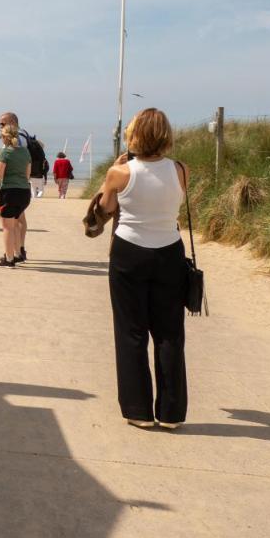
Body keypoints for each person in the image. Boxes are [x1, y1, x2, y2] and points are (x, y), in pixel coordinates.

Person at [99, 108, 188, 430]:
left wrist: (113, 175)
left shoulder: (120, 173)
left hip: (129, 252)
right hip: (169, 252)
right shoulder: (180, 169)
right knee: (169, 333)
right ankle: (171, 413)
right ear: (165, 135)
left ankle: (138, 410)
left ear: (134, 135)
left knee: (131, 331)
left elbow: (107, 208)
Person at [0, 122, 31, 267]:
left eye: (1, 136)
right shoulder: (25, 152)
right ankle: (17, 254)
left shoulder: (5, 152)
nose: (0, 138)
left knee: (7, 227)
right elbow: (28, 174)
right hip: (24, 193)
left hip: (9, 193)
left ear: (5, 137)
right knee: (15, 224)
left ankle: (9, 258)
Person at [0, 111, 30, 261]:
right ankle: (17, 251)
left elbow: (11, 165)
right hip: (23, 188)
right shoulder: (23, 137)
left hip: (13, 188)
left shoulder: (19, 140)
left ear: (12, 123)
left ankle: (15, 253)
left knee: (14, 224)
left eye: (2, 124)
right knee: (18, 221)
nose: (0, 127)